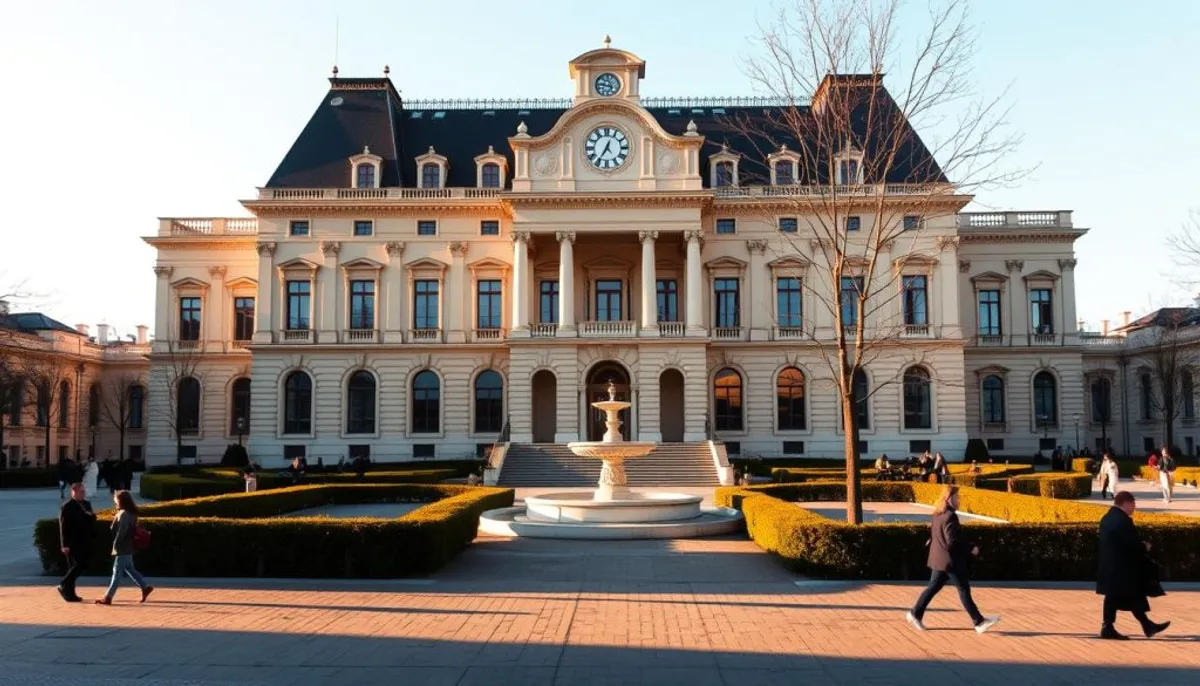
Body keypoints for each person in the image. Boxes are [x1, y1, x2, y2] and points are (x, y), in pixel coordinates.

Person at [905, 484, 1001, 634]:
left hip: (939, 559)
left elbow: (935, 537)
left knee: (933, 587)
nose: (959, 499)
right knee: (963, 589)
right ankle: (979, 622)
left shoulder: (938, 513)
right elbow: (951, 542)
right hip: (950, 561)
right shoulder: (950, 516)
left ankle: (915, 613)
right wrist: (971, 548)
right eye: (956, 497)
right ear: (949, 499)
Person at [1097, 491, 1170, 639]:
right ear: (1126, 503)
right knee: (1123, 595)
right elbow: (1131, 544)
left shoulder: (1107, 517)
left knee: (1125, 596)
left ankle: (1145, 625)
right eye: (1133, 505)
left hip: (1110, 565)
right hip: (1122, 567)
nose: (1134, 508)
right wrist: (1144, 546)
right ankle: (1109, 627)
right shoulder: (1123, 520)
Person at [95, 490, 153, 605]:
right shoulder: (130, 513)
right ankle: (145, 587)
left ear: (121, 501)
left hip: (123, 548)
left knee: (116, 573)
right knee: (130, 569)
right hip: (129, 547)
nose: (114, 502)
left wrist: (115, 547)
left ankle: (108, 597)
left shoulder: (125, 514)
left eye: (116, 500)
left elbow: (121, 533)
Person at [57, 483, 96, 602]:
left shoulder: (86, 504)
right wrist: (64, 545)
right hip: (72, 541)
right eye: (81, 492)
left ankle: (70, 594)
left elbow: (92, 518)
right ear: (73, 492)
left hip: (84, 539)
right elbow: (63, 526)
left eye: (84, 492)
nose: (83, 494)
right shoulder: (67, 506)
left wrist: (91, 515)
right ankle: (64, 585)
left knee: (79, 566)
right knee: (78, 565)